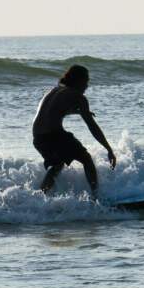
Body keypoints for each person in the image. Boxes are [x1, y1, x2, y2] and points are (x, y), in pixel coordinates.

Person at [32, 64, 116, 195]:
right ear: (78, 81)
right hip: (54, 136)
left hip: (38, 138)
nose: (87, 86)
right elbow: (92, 126)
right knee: (87, 160)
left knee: (57, 164)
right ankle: (97, 199)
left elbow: (52, 112)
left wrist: (76, 112)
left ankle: (40, 197)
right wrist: (108, 149)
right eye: (86, 82)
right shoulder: (78, 97)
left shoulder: (53, 91)